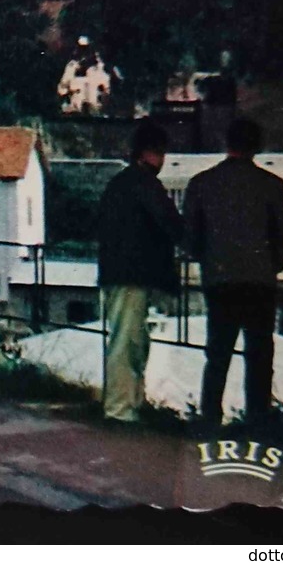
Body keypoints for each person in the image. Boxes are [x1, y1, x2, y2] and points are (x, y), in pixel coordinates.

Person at [183, 118, 283, 426]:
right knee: (259, 354)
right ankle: (258, 419)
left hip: (220, 279)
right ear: (257, 146)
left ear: (226, 143)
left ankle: (210, 419)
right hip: (260, 280)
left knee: (218, 353)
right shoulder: (272, 185)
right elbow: (282, 235)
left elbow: (191, 237)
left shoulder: (202, 183)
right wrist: (274, 264)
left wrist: (208, 259)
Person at [96, 121, 181, 424]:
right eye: (162, 154)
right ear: (149, 153)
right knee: (128, 342)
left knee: (128, 339)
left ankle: (129, 403)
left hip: (117, 271)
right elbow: (169, 222)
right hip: (132, 274)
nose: (163, 161)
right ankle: (121, 409)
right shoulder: (145, 184)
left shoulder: (119, 183)